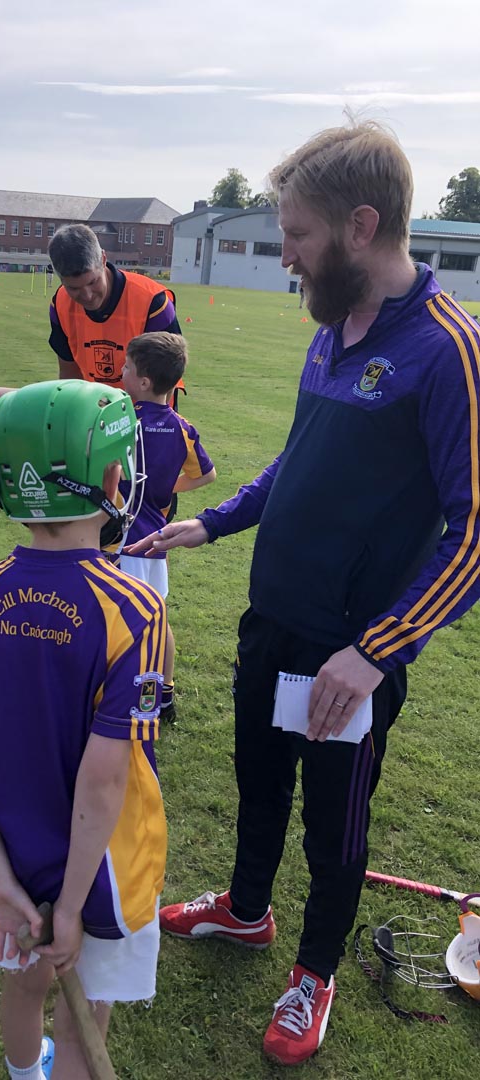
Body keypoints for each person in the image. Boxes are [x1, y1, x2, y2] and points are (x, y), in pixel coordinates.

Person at [126, 118, 480, 1065]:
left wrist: (375, 652)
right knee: (258, 783)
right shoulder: (334, 328)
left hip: (350, 654)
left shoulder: (448, 349)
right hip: (271, 619)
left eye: (296, 237)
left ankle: (314, 972)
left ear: (361, 226)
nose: (284, 258)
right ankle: (245, 912)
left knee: (335, 826)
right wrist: (218, 519)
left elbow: (476, 529)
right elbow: (302, 459)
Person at [0, 380, 167, 1080]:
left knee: (23, 983)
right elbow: (104, 777)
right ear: (111, 478)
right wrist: (69, 906)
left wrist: (0, 882)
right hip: (98, 871)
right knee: (82, 1015)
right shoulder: (136, 610)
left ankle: (21, 1071)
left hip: (14, 848)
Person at [0, 224, 181, 409]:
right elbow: (68, 381)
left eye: (93, 282)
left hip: (148, 423)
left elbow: (165, 388)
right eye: (73, 288)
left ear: (103, 259)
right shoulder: (60, 305)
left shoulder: (153, 302)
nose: (87, 295)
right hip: (95, 418)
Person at [120, 332, 216, 723]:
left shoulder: (119, 421)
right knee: (157, 618)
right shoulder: (181, 427)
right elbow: (207, 475)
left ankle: (121, 694)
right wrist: (165, 485)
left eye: (126, 368)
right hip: (155, 539)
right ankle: (165, 694)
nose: (121, 373)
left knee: (122, 621)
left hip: (123, 540)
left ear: (143, 381)